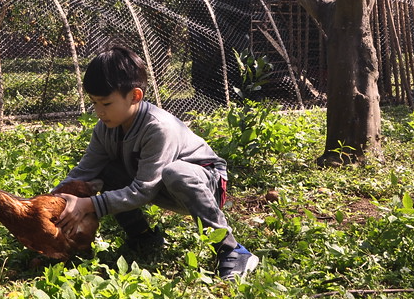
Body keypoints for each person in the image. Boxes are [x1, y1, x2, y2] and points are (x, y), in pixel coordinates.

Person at [52, 45, 259, 280]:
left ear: (135, 96)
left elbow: (143, 190)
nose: (99, 111)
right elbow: (85, 172)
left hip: (206, 181)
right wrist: (50, 202)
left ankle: (232, 250)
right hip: (158, 184)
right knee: (105, 170)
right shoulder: (105, 129)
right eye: (94, 103)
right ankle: (143, 237)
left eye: (106, 103)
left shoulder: (157, 127)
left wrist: (89, 205)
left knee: (176, 172)